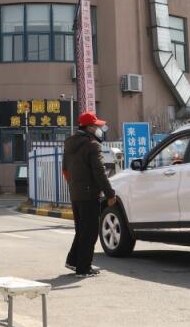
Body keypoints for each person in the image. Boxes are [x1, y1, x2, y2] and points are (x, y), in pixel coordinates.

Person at [62, 110, 116, 278]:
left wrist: (74, 186)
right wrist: (110, 194)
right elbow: (99, 173)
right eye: (97, 126)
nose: (99, 129)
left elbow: (65, 170)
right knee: (90, 232)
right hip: (89, 195)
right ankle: (83, 268)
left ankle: (73, 261)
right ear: (90, 127)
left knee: (81, 230)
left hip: (76, 193)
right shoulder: (92, 145)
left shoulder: (69, 143)